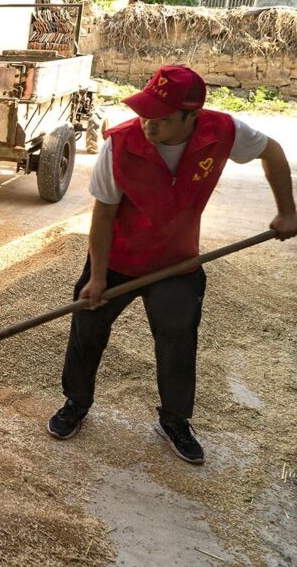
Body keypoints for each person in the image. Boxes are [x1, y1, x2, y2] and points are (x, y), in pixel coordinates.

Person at [46, 65, 296, 465]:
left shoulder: (224, 131)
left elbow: (274, 152)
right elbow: (103, 217)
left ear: (191, 117)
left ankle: (175, 420)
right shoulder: (121, 145)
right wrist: (95, 278)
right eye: (145, 113)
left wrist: (288, 211)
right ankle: (76, 402)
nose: (148, 125)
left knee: (178, 341)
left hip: (178, 261)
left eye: (160, 119)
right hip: (118, 260)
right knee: (87, 328)